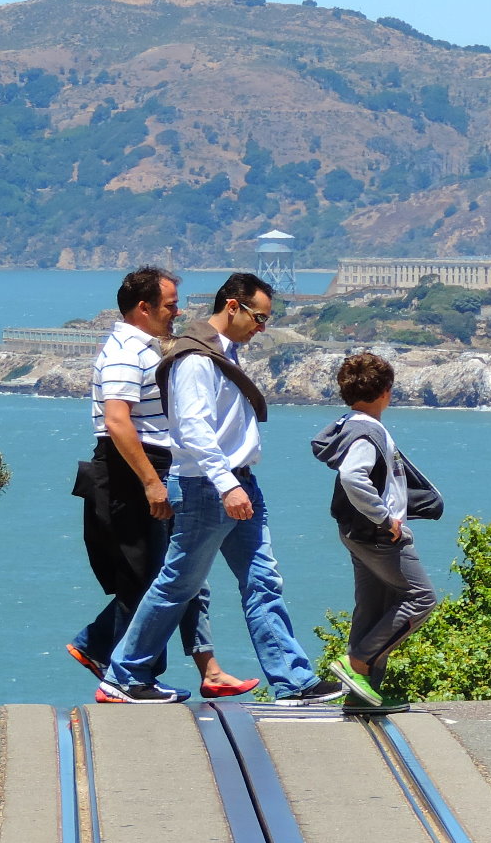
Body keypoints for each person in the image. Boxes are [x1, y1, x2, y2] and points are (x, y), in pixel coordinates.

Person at [98, 272, 346, 705]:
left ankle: (292, 681)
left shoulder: (220, 352)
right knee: (177, 584)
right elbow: (193, 429)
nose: (261, 326)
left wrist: (237, 483)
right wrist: (228, 485)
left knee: (262, 580)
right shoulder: (196, 358)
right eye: (258, 316)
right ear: (232, 306)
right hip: (209, 488)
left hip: (237, 483)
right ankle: (123, 675)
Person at [67, 267, 257, 700]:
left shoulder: (146, 347)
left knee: (180, 574)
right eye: (170, 305)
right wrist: (152, 483)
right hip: (134, 470)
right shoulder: (123, 352)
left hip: (156, 466)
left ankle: (126, 655)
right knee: (158, 576)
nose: (177, 312)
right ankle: (124, 668)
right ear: (143, 308)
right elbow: (117, 422)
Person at [309, 353, 440, 713]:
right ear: (387, 391)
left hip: (356, 532)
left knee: (372, 607)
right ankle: (358, 664)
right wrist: (386, 518)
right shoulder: (367, 431)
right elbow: (354, 476)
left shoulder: (349, 423)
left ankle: (360, 695)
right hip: (379, 535)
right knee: (421, 599)